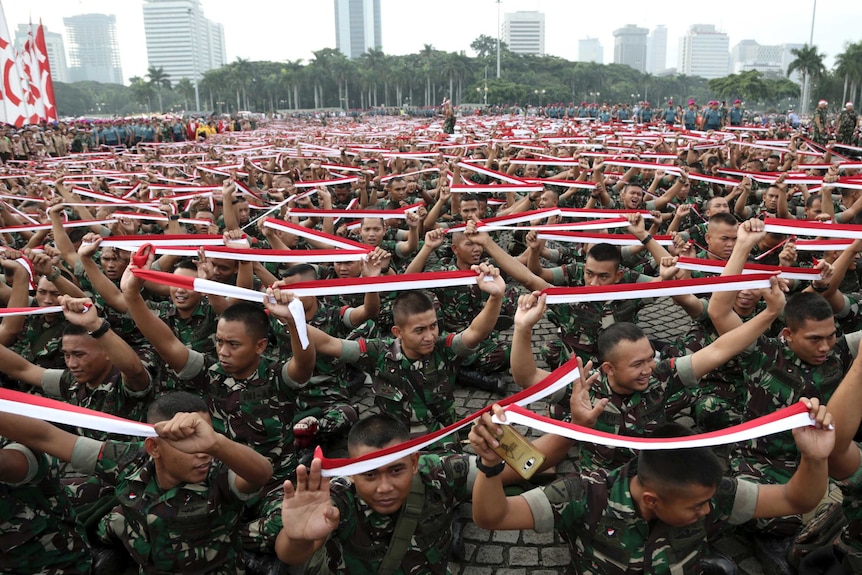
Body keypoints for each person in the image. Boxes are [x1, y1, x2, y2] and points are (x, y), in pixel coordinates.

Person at [469, 398, 834, 575]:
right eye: (696, 508)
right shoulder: (583, 496)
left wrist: (815, 458)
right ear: (651, 499)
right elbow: (492, 516)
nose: (707, 512)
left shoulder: (712, 493)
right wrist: (489, 465)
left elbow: (795, 498)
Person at [0, 391, 273, 574]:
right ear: (154, 448)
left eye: (204, 438)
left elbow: (261, 473)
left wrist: (217, 443)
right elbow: (45, 437)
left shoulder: (219, 471)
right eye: (187, 443)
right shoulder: (128, 461)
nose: (201, 452)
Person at [309, 263, 506, 450]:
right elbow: (329, 344)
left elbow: (475, 332)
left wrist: (496, 297)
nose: (430, 336)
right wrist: (291, 321)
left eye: (433, 326)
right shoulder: (378, 352)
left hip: (440, 441)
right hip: (397, 446)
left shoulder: (443, 348)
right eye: (419, 330)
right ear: (398, 332)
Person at [273, 413, 474, 574]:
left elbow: (496, 471)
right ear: (351, 472)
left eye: (396, 470)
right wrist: (297, 538)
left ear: (413, 462)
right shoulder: (336, 498)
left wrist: (494, 454)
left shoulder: (438, 471)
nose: (384, 487)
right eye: (369, 474)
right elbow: (290, 555)